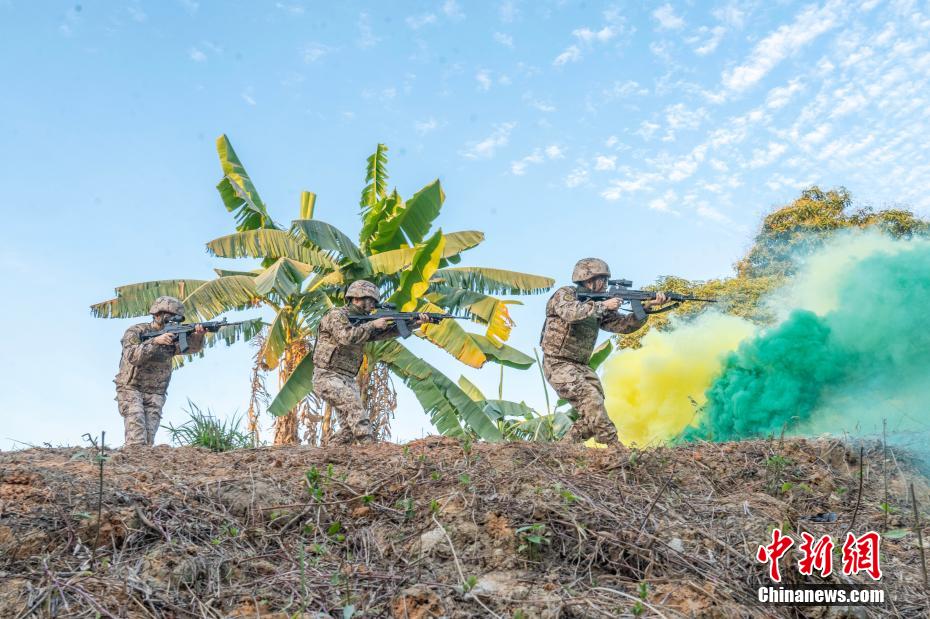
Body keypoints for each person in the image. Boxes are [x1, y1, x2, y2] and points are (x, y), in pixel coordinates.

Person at [540, 258, 667, 445]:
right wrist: (603, 305)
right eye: (602, 280)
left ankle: (563, 448)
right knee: (592, 402)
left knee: (594, 413)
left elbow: (622, 326)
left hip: (581, 366)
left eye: (606, 280)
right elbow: (571, 314)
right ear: (587, 279)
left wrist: (646, 309)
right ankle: (615, 447)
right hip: (557, 362)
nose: (605, 285)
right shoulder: (566, 294)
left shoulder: (598, 304)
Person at [313, 280, 427, 445]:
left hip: (347, 378)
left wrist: (412, 325)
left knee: (348, 431)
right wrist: (372, 324)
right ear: (357, 298)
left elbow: (380, 335)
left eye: (374, 301)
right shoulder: (336, 315)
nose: (373, 304)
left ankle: (327, 455)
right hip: (327, 375)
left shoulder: (362, 321)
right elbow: (346, 337)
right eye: (370, 300)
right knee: (355, 408)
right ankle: (371, 446)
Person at [115, 296, 205, 447]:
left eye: (175, 318)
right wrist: (155, 341)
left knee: (148, 441)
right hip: (131, 388)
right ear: (156, 314)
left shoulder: (175, 335)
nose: (171, 320)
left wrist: (198, 336)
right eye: (167, 316)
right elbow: (132, 356)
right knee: (136, 439)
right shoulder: (136, 331)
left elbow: (191, 348)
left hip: (156, 392)